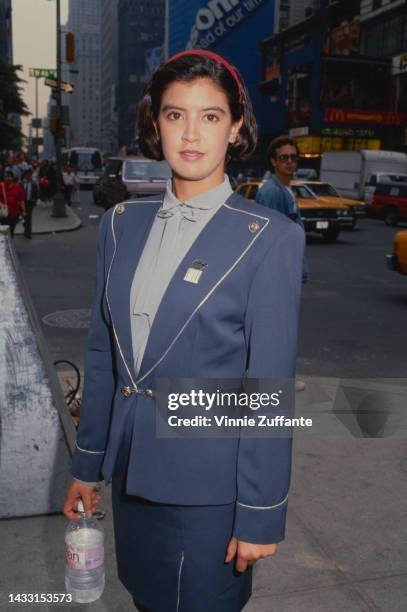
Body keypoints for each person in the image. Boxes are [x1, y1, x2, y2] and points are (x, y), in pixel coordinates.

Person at [63, 50, 304, 612]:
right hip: (128, 476)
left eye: (211, 116)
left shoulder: (268, 237)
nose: (191, 133)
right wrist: (87, 466)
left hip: (208, 494)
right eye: (175, 115)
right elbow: (103, 354)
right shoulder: (123, 224)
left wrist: (261, 514)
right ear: (156, 124)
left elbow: (268, 387)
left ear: (237, 126)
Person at [0, 170, 26, 237]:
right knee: (5, 231)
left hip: (14, 213)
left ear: (12, 178)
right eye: (5, 177)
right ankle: (6, 245)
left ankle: (9, 244)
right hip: (4, 214)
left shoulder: (17, 187)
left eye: (8, 176)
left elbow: (21, 200)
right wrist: (1, 204)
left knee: (11, 230)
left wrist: (23, 211)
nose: (7, 178)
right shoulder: (1, 186)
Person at [21, 169, 39, 239]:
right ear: (25, 176)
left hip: (30, 202)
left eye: (29, 175)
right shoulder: (22, 183)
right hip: (23, 203)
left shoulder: (34, 184)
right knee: (24, 218)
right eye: (27, 175)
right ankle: (26, 230)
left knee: (29, 217)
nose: (28, 176)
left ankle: (29, 233)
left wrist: (34, 201)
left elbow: (36, 194)